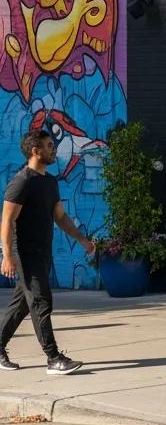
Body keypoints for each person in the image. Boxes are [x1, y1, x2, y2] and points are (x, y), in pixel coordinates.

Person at [0, 130, 93, 374]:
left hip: (43, 251)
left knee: (22, 304)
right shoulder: (22, 181)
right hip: (26, 252)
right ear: (35, 151)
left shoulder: (50, 182)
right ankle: (53, 358)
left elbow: (60, 216)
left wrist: (81, 239)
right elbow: (7, 220)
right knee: (41, 301)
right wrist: (7, 255)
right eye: (49, 145)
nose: (54, 149)